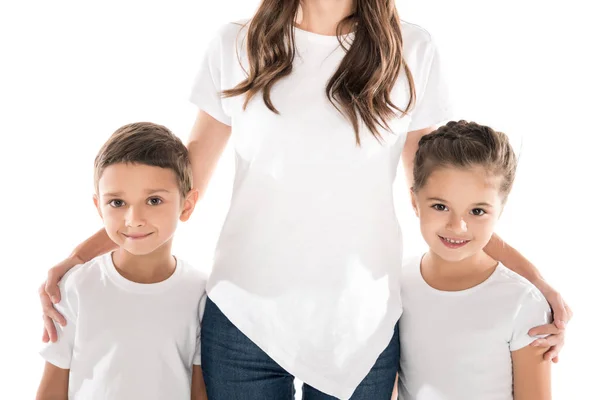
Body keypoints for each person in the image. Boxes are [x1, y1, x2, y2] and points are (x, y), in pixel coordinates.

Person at [39, 1, 571, 399]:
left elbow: (443, 197)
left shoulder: (412, 50)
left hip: (360, 321)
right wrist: (76, 259)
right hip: (244, 317)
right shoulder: (237, 44)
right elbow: (177, 188)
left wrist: (535, 279)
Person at [36, 122, 208, 400]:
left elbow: (199, 391)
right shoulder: (77, 287)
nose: (134, 219)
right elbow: (52, 389)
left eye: (153, 200)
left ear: (186, 206)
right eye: (117, 203)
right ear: (99, 207)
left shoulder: (201, 293)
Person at [395, 120, 552, 399]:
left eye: (477, 211)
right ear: (414, 201)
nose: (458, 226)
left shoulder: (522, 302)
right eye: (440, 206)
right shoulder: (397, 283)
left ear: (500, 210)